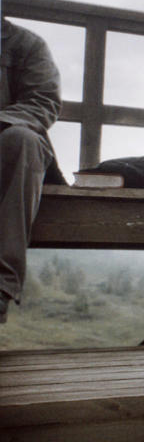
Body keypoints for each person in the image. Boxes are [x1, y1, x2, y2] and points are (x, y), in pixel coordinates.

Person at [1, 17, 66, 324]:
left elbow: (43, 103)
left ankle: (0, 287)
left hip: (10, 151)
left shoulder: (27, 45)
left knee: (21, 138)